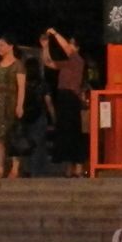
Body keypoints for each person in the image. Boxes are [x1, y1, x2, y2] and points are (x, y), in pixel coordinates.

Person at [41, 27, 88, 175]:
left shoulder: (77, 60)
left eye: (72, 43)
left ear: (78, 47)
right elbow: (48, 62)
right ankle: (69, 167)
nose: (69, 45)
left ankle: (78, 167)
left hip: (71, 97)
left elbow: (66, 48)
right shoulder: (67, 62)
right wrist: (46, 46)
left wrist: (55, 33)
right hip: (63, 96)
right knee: (64, 131)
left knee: (73, 131)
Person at [0, 36, 25, 180]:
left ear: (10, 46)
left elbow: (21, 87)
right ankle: (0, 169)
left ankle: (15, 169)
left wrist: (20, 105)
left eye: (2, 45)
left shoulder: (18, 65)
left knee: (13, 136)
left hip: (11, 102)